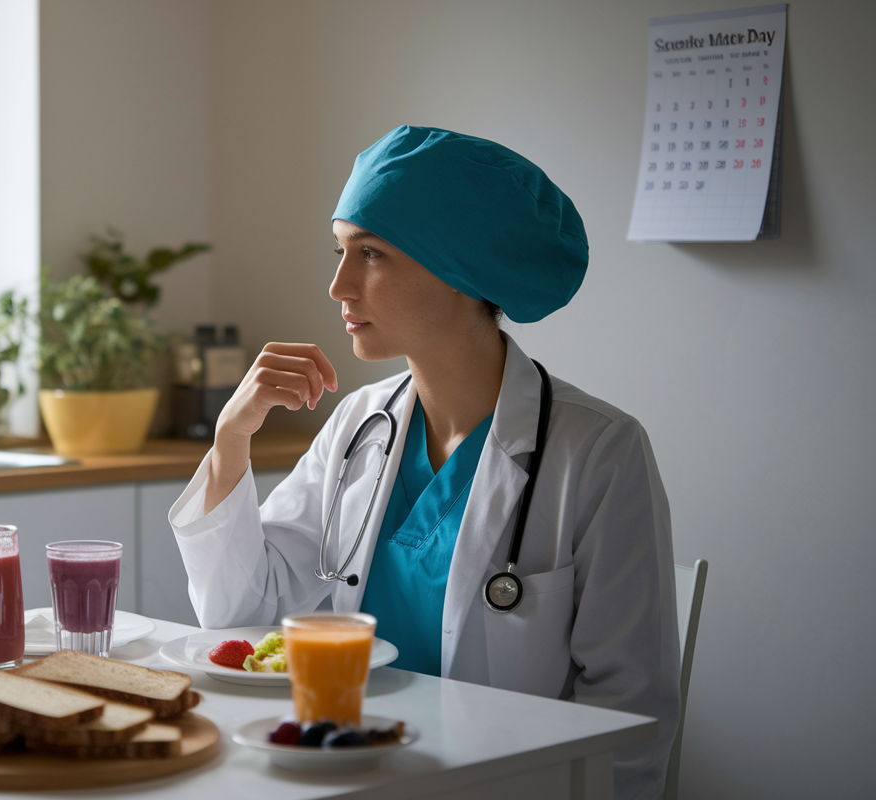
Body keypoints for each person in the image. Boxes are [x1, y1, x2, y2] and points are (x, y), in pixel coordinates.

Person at [168, 126, 681, 799]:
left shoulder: (599, 452)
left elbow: (630, 714)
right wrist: (231, 439)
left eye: (371, 253)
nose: (338, 285)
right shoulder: (358, 423)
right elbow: (240, 610)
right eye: (340, 250)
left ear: (465, 270)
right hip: (346, 774)